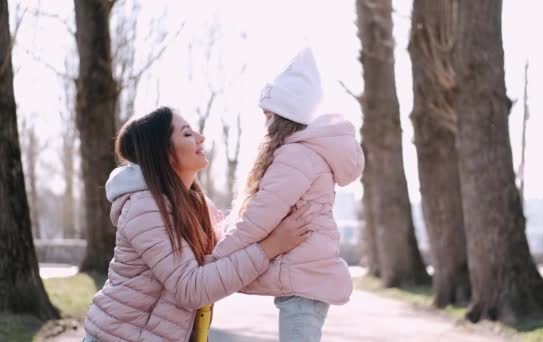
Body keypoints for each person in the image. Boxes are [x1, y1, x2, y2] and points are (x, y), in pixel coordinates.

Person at [82, 108, 312, 342]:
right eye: (187, 134)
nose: (200, 137)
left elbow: (224, 256)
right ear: (164, 152)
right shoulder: (145, 209)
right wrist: (270, 247)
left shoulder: (199, 206)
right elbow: (191, 288)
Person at [212, 48, 365, 341]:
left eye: (267, 114)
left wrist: (216, 258)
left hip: (303, 285)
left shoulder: (296, 156)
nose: (264, 121)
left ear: (282, 116)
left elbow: (259, 219)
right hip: (305, 283)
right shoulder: (305, 153)